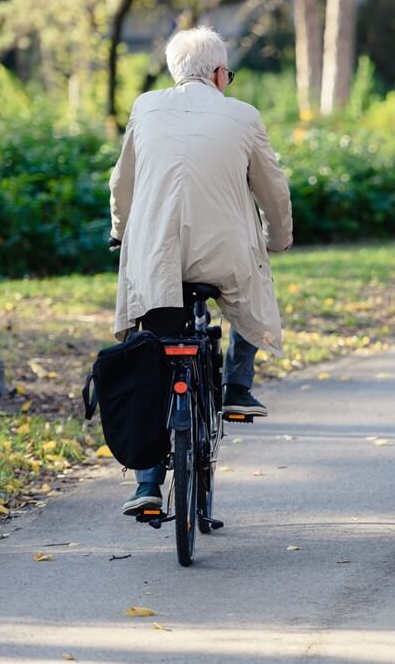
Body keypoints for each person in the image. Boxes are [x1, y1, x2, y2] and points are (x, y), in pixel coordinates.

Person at [109, 26, 293, 516]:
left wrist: (121, 231)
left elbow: (123, 180)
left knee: (153, 351)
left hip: (158, 254)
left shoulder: (145, 106)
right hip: (224, 252)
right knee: (253, 283)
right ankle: (237, 383)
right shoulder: (243, 115)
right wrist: (279, 237)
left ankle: (147, 482)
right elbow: (272, 186)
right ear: (217, 73)